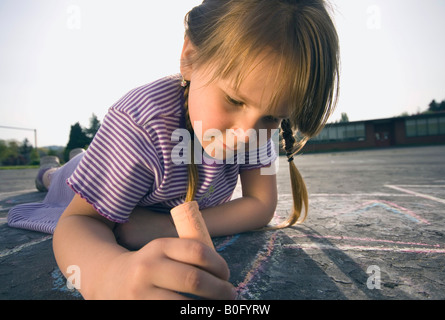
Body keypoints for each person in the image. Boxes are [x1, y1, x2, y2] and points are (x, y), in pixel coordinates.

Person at [8, 0, 340, 299]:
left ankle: (74, 160)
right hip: (83, 178)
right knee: (64, 178)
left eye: (272, 117)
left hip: (135, 185)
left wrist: (164, 227)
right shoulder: (140, 123)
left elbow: (261, 204)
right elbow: (80, 221)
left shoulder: (257, 131)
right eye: (233, 100)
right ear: (191, 58)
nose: (244, 135)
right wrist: (107, 275)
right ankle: (51, 172)